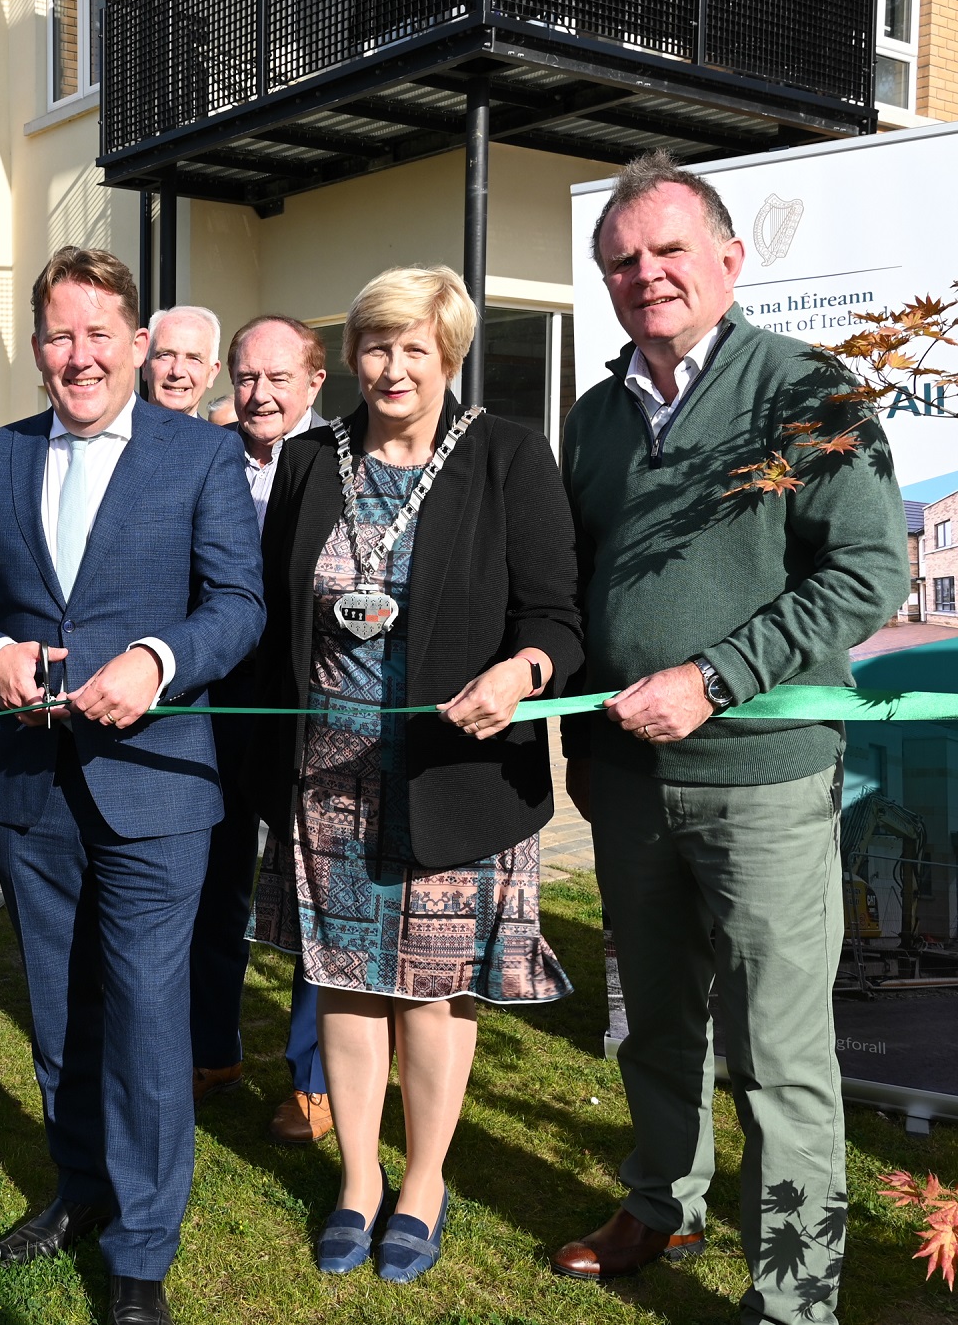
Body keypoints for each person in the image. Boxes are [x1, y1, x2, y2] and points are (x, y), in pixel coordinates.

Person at [554, 151, 907, 1323]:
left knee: (778, 1051)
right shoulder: (595, 417)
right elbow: (582, 583)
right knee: (652, 1018)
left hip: (759, 777)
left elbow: (867, 569)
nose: (643, 275)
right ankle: (660, 1198)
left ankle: (794, 1289)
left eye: (665, 252)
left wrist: (714, 676)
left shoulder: (805, 391)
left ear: (726, 259)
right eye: (620, 261)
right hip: (625, 780)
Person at [0, 246, 264, 1325]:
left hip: (154, 785)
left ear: (136, 345)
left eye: (98, 334)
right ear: (36, 348)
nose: (79, 355)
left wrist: (156, 660)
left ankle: (140, 1247)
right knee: (59, 1015)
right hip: (27, 786)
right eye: (59, 335)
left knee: (147, 1017)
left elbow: (237, 602)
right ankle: (79, 1187)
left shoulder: (196, 457)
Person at [247, 265, 581, 1283]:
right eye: (374, 347)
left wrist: (519, 674)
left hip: (453, 774)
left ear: (449, 356)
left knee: (430, 995)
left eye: (413, 349)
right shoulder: (310, 459)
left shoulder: (507, 457)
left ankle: (423, 1179)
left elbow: (556, 622)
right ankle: (355, 1179)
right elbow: (270, 619)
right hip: (327, 779)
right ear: (349, 356)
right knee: (345, 986)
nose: (392, 368)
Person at [190, 316, 331, 1146]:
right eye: (246, 377)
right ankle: (214, 1049)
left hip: (310, 713)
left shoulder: (339, 467)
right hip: (215, 709)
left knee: (311, 892)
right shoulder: (205, 460)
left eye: (279, 378)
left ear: (314, 382)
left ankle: (313, 1078)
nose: (260, 393)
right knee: (212, 885)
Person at [141, 305, 222, 417]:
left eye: (194, 359)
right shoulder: (115, 433)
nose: (177, 372)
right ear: (145, 366)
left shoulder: (221, 435)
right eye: (166, 355)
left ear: (212, 373)